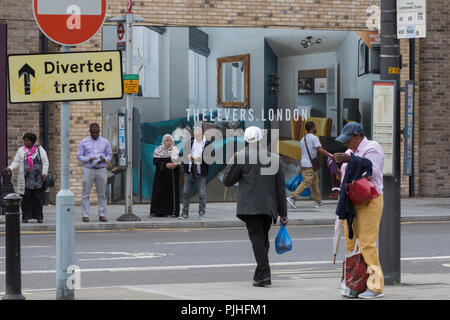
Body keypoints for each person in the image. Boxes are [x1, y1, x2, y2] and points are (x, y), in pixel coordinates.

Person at [223, 126, 288, 287]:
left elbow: (227, 180)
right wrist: (283, 214)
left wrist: (231, 162)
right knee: (263, 239)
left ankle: (264, 274)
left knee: (258, 239)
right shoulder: (274, 158)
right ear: (260, 139)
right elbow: (281, 189)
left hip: (249, 207)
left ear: (246, 140)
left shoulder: (241, 157)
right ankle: (260, 275)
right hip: (269, 207)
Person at [334, 122, 385, 299]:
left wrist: (350, 160)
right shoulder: (350, 152)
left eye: (349, 141)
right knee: (350, 243)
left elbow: (373, 171)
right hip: (352, 201)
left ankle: (376, 287)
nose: (347, 145)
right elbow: (347, 177)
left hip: (370, 201)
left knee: (367, 244)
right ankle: (356, 282)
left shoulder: (372, 148)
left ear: (358, 136)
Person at [5, 133, 49, 223]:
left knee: (37, 199)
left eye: (27, 140)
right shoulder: (21, 150)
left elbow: (45, 162)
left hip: (37, 179)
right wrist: (10, 168)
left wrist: (44, 173)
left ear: (32, 141)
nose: (25, 142)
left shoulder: (40, 150)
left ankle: (39, 217)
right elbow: (16, 162)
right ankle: (26, 216)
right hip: (25, 179)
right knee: (25, 199)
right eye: (24, 140)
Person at [287, 121, 331, 209]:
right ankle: (292, 197)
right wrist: (330, 155)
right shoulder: (314, 138)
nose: (315, 129)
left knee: (315, 183)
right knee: (307, 182)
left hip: (306, 164)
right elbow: (319, 149)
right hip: (310, 165)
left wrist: (301, 167)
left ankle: (318, 201)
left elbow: (303, 153)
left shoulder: (303, 139)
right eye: (315, 127)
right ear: (312, 128)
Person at [77, 123, 113, 223]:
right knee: (85, 193)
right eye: (93, 133)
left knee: (102, 194)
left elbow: (110, 155)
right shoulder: (84, 141)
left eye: (97, 132)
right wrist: (89, 159)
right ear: (90, 132)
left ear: (99, 131)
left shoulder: (105, 142)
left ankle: (102, 214)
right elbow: (79, 156)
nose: (95, 134)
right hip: (88, 169)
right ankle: (85, 215)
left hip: (101, 169)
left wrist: (104, 159)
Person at [179, 127, 212, 220]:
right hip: (189, 171)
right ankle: (184, 213)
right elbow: (184, 155)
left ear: (202, 132)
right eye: (194, 132)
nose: (195, 134)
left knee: (202, 194)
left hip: (200, 172)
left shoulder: (208, 144)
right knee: (185, 193)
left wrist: (200, 159)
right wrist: (187, 157)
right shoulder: (190, 142)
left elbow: (210, 159)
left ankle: (201, 213)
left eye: (197, 132)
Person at [150, 134, 181, 217]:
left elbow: (179, 162)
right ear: (163, 141)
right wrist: (165, 165)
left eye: (170, 140)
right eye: (167, 140)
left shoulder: (175, 150)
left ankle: (172, 212)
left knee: (172, 194)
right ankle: (157, 212)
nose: (169, 142)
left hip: (172, 176)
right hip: (161, 175)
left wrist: (175, 165)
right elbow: (155, 162)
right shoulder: (158, 150)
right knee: (159, 192)